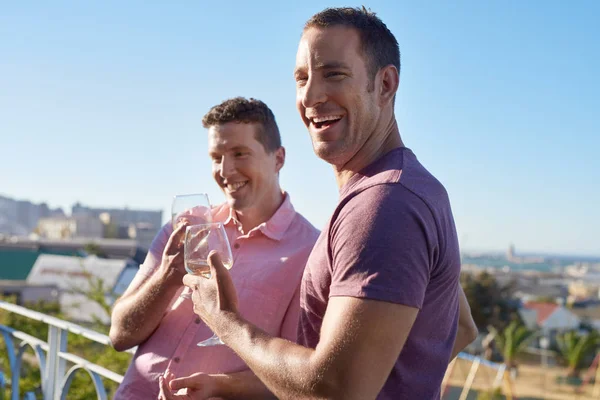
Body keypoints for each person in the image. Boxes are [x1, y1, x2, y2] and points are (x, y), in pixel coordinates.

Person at [168, 7, 478, 400]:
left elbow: (334, 390)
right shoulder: (408, 187)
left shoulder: (385, 205)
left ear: (385, 84)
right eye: (302, 78)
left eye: (334, 74)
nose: (310, 96)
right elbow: (457, 329)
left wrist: (225, 322)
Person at [109, 97, 319, 399]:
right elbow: (119, 335)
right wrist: (168, 276)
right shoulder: (185, 227)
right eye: (216, 156)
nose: (225, 170)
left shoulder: (310, 251)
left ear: (278, 158)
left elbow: (297, 376)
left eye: (239, 154)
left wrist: (220, 386)